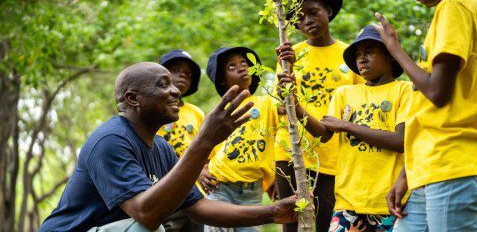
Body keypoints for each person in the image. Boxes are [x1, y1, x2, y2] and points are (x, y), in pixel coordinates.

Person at [39, 62, 297, 232]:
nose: (176, 91)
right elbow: (147, 213)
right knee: (150, 228)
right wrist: (205, 142)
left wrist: (272, 212)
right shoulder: (110, 140)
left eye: (173, 84)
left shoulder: (161, 148)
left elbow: (200, 208)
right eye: (164, 84)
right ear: (133, 98)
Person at [376, 0, 477, 231]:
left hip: (451, 163)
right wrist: (408, 171)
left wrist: (394, 48)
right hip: (429, 164)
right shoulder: (470, 4)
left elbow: (436, 91)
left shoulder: (455, 5)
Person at [277, 24, 410, 231]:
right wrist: (294, 102)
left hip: (389, 201)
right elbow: (324, 135)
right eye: (357, 54)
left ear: (391, 55)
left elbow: (400, 141)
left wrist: (348, 126)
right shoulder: (345, 93)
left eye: (369, 52)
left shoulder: (405, 91)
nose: (361, 59)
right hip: (348, 201)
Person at [273, 0, 364, 231]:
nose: (307, 21)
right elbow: (280, 108)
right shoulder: (289, 55)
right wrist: (286, 75)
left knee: (326, 222)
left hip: (333, 154)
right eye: (300, 18)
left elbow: (360, 108)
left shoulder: (350, 56)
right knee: (292, 224)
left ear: (329, 12)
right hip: (291, 151)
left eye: (313, 12)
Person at [199, 47, 278, 232]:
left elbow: (287, 106)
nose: (242, 68)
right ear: (221, 79)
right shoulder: (218, 113)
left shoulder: (266, 103)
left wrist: (285, 67)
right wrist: (200, 171)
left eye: (244, 63)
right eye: (232, 66)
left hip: (252, 193)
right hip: (219, 188)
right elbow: (202, 151)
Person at [156, 50, 205, 231]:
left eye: (188, 73)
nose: (183, 74)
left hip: (194, 192)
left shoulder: (196, 113)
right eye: (175, 69)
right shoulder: (154, 109)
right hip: (164, 188)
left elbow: (205, 149)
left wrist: (202, 169)